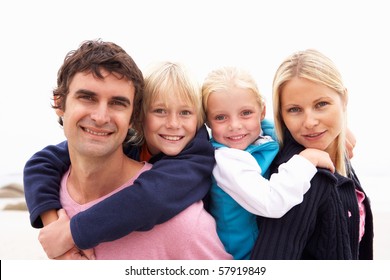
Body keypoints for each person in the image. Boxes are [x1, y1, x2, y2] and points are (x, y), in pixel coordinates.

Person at [24, 40, 230, 259]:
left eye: (117, 103)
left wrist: (72, 233)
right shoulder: (128, 142)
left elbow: (150, 198)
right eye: (87, 98)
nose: (101, 117)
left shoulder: (195, 162)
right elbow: (41, 163)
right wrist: (52, 222)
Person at [249, 49, 374, 259]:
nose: (310, 122)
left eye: (321, 104)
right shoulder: (300, 180)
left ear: (344, 99)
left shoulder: (335, 154)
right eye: (294, 110)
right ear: (281, 115)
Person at [201, 66, 335, 259]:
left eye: (246, 113)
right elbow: (271, 202)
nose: (235, 125)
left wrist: (337, 132)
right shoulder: (226, 160)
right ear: (208, 122)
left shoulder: (262, 132)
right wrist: (306, 160)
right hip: (242, 259)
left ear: (261, 111)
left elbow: (291, 130)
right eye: (221, 117)